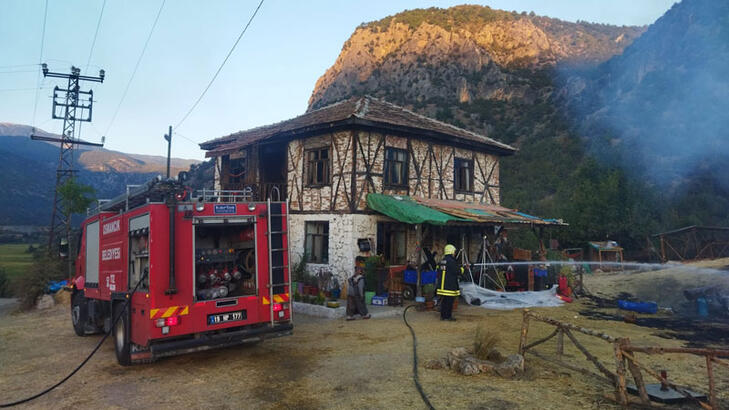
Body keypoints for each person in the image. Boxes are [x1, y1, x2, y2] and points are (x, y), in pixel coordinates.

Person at [437, 244, 462, 321]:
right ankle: (448, 317)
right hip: (449, 286)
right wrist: (463, 269)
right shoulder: (451, 261)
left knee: (444, 302)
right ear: (451, 251)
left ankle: (443, 316)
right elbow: (457, 271)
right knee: (449, 302)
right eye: (454, 252)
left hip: (442, 286)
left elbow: (439, 270)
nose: (454, 253)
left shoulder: (442, 261)